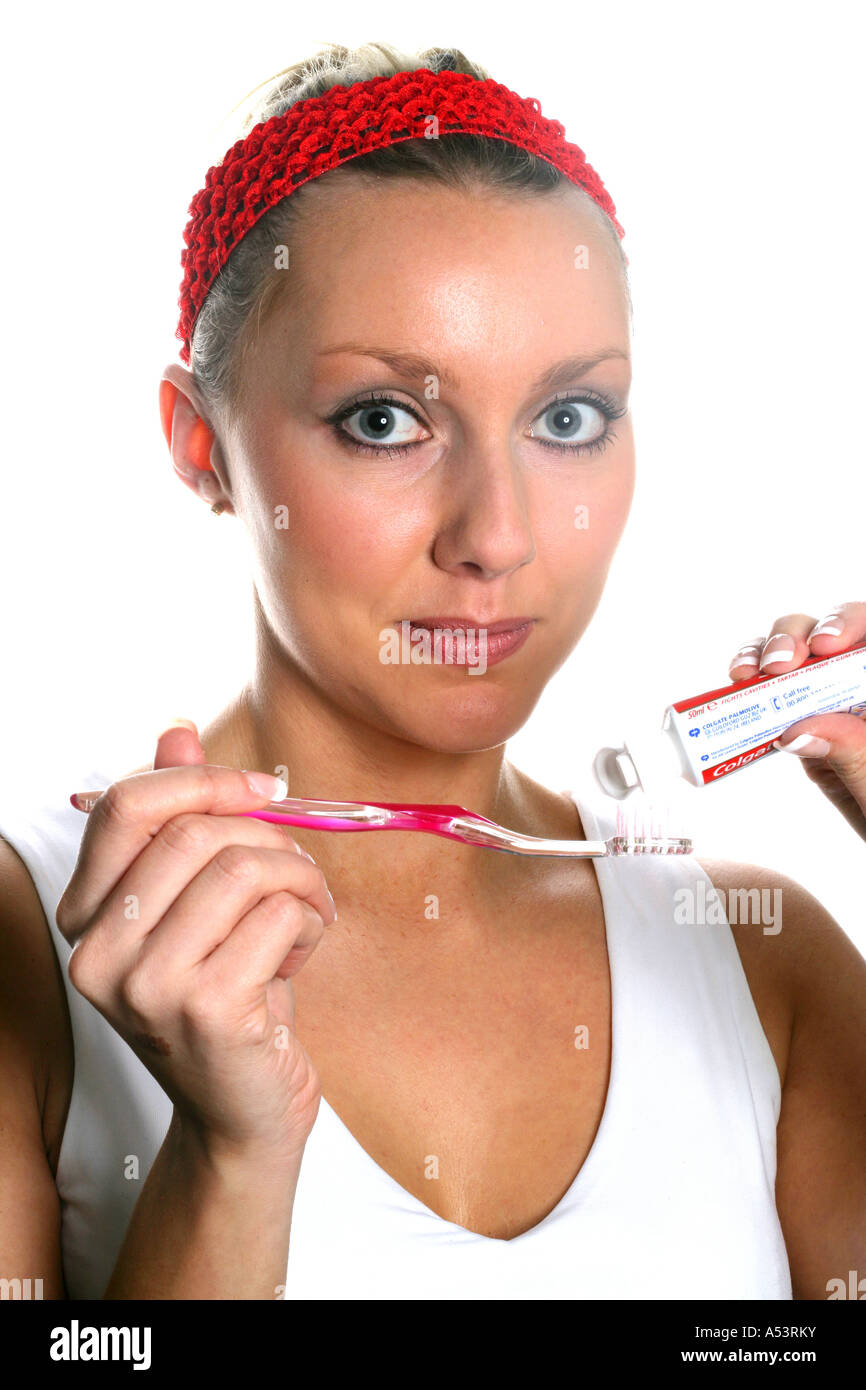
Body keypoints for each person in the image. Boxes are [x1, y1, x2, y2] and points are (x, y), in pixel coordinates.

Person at [1, 40, 864, 1302]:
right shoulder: (30, 943)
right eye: (384, 421)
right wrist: (230, 1158)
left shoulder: (761, 958)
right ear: (203, 447)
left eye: (566, 419)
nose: (498, 536)